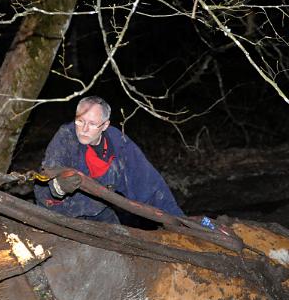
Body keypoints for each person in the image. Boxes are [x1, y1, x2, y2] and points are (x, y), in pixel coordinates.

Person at [35, 96, 184, 224]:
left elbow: (148, 184)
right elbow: (47, 175)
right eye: (80, 121)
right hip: (59, 212)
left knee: (122, 246)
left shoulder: (119, 144)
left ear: (105, 125)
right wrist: (59, 187)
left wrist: (178, 220)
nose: (84, 129)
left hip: (98, 211)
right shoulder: (66, 137)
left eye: (92, 124)